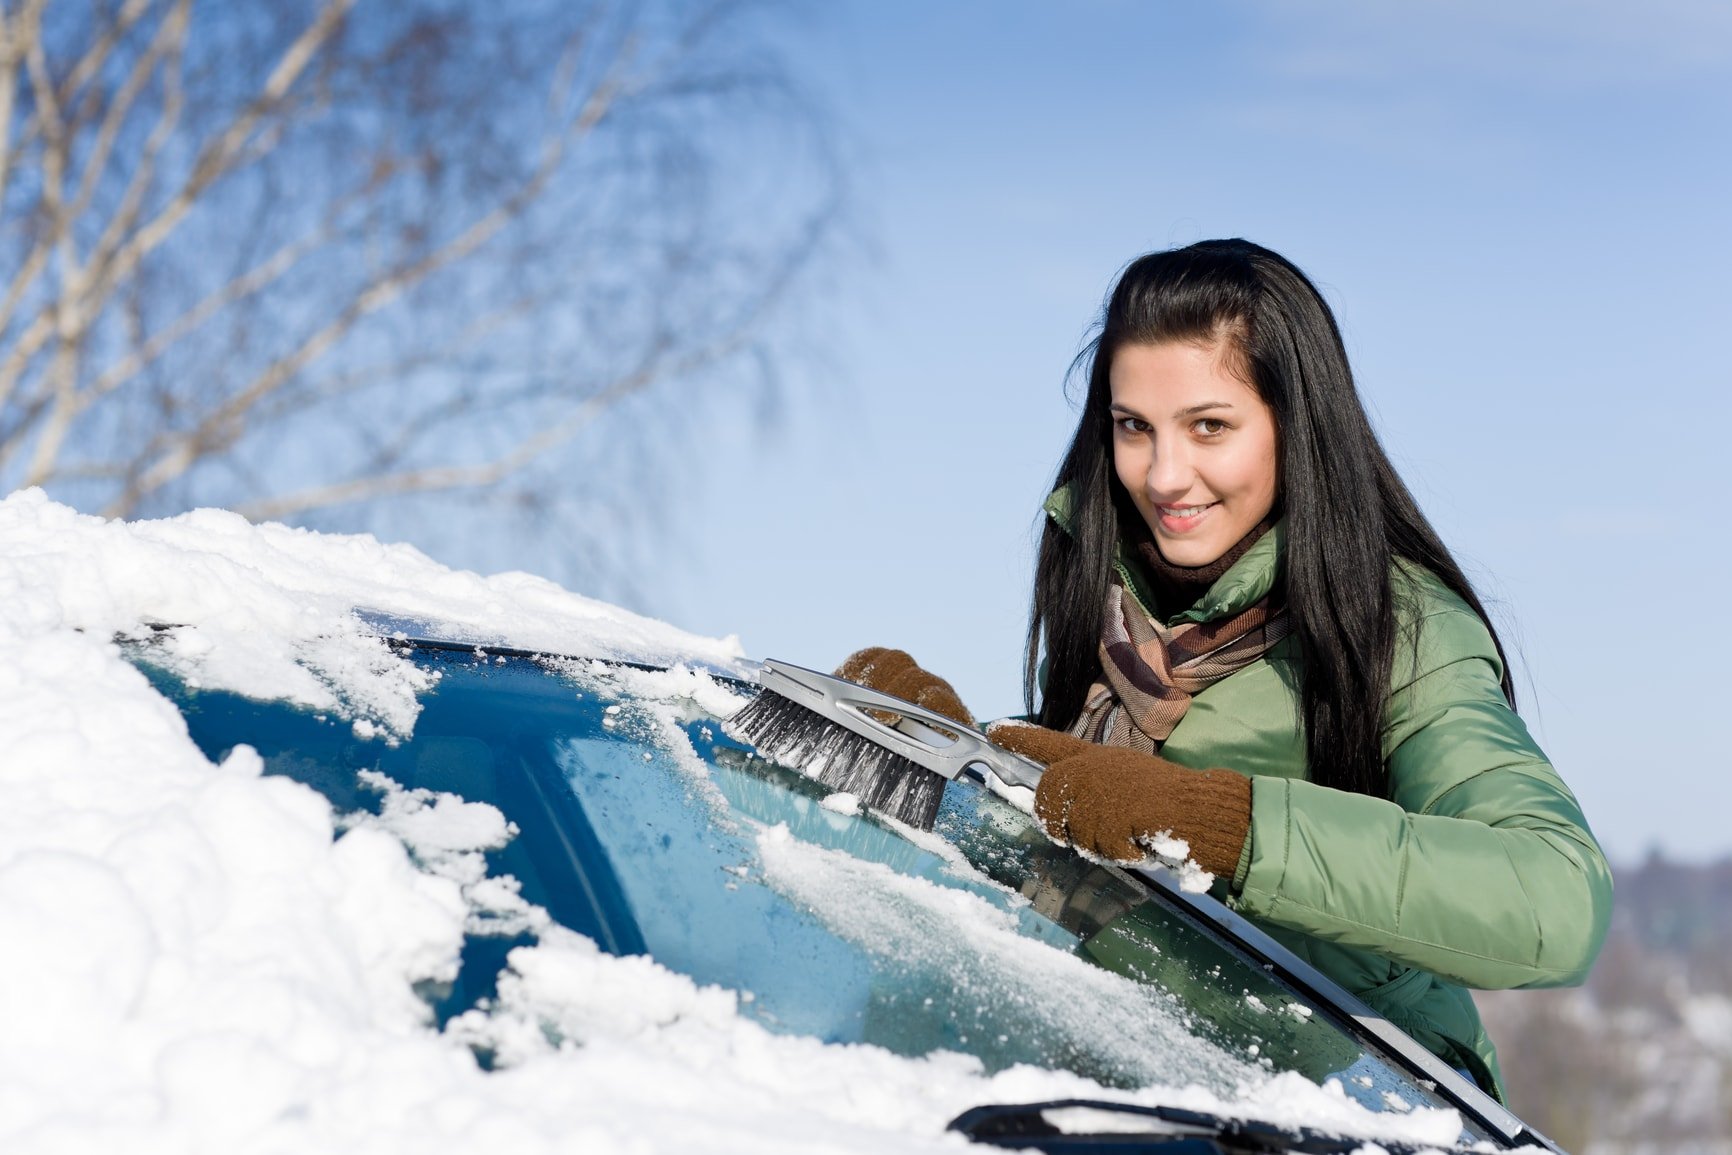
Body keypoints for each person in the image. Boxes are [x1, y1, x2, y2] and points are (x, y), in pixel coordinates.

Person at [838, 239, 1612, 1101]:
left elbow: (1556, 898)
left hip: (1358, 1101)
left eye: (1209, 425)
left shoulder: (1396, 624)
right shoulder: (1112, 606)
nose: (1165, 475)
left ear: (1297, 423)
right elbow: (1102, 868)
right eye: (1135, 427)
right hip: (1134, 1081)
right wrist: (958, 760)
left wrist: (1223, 826)